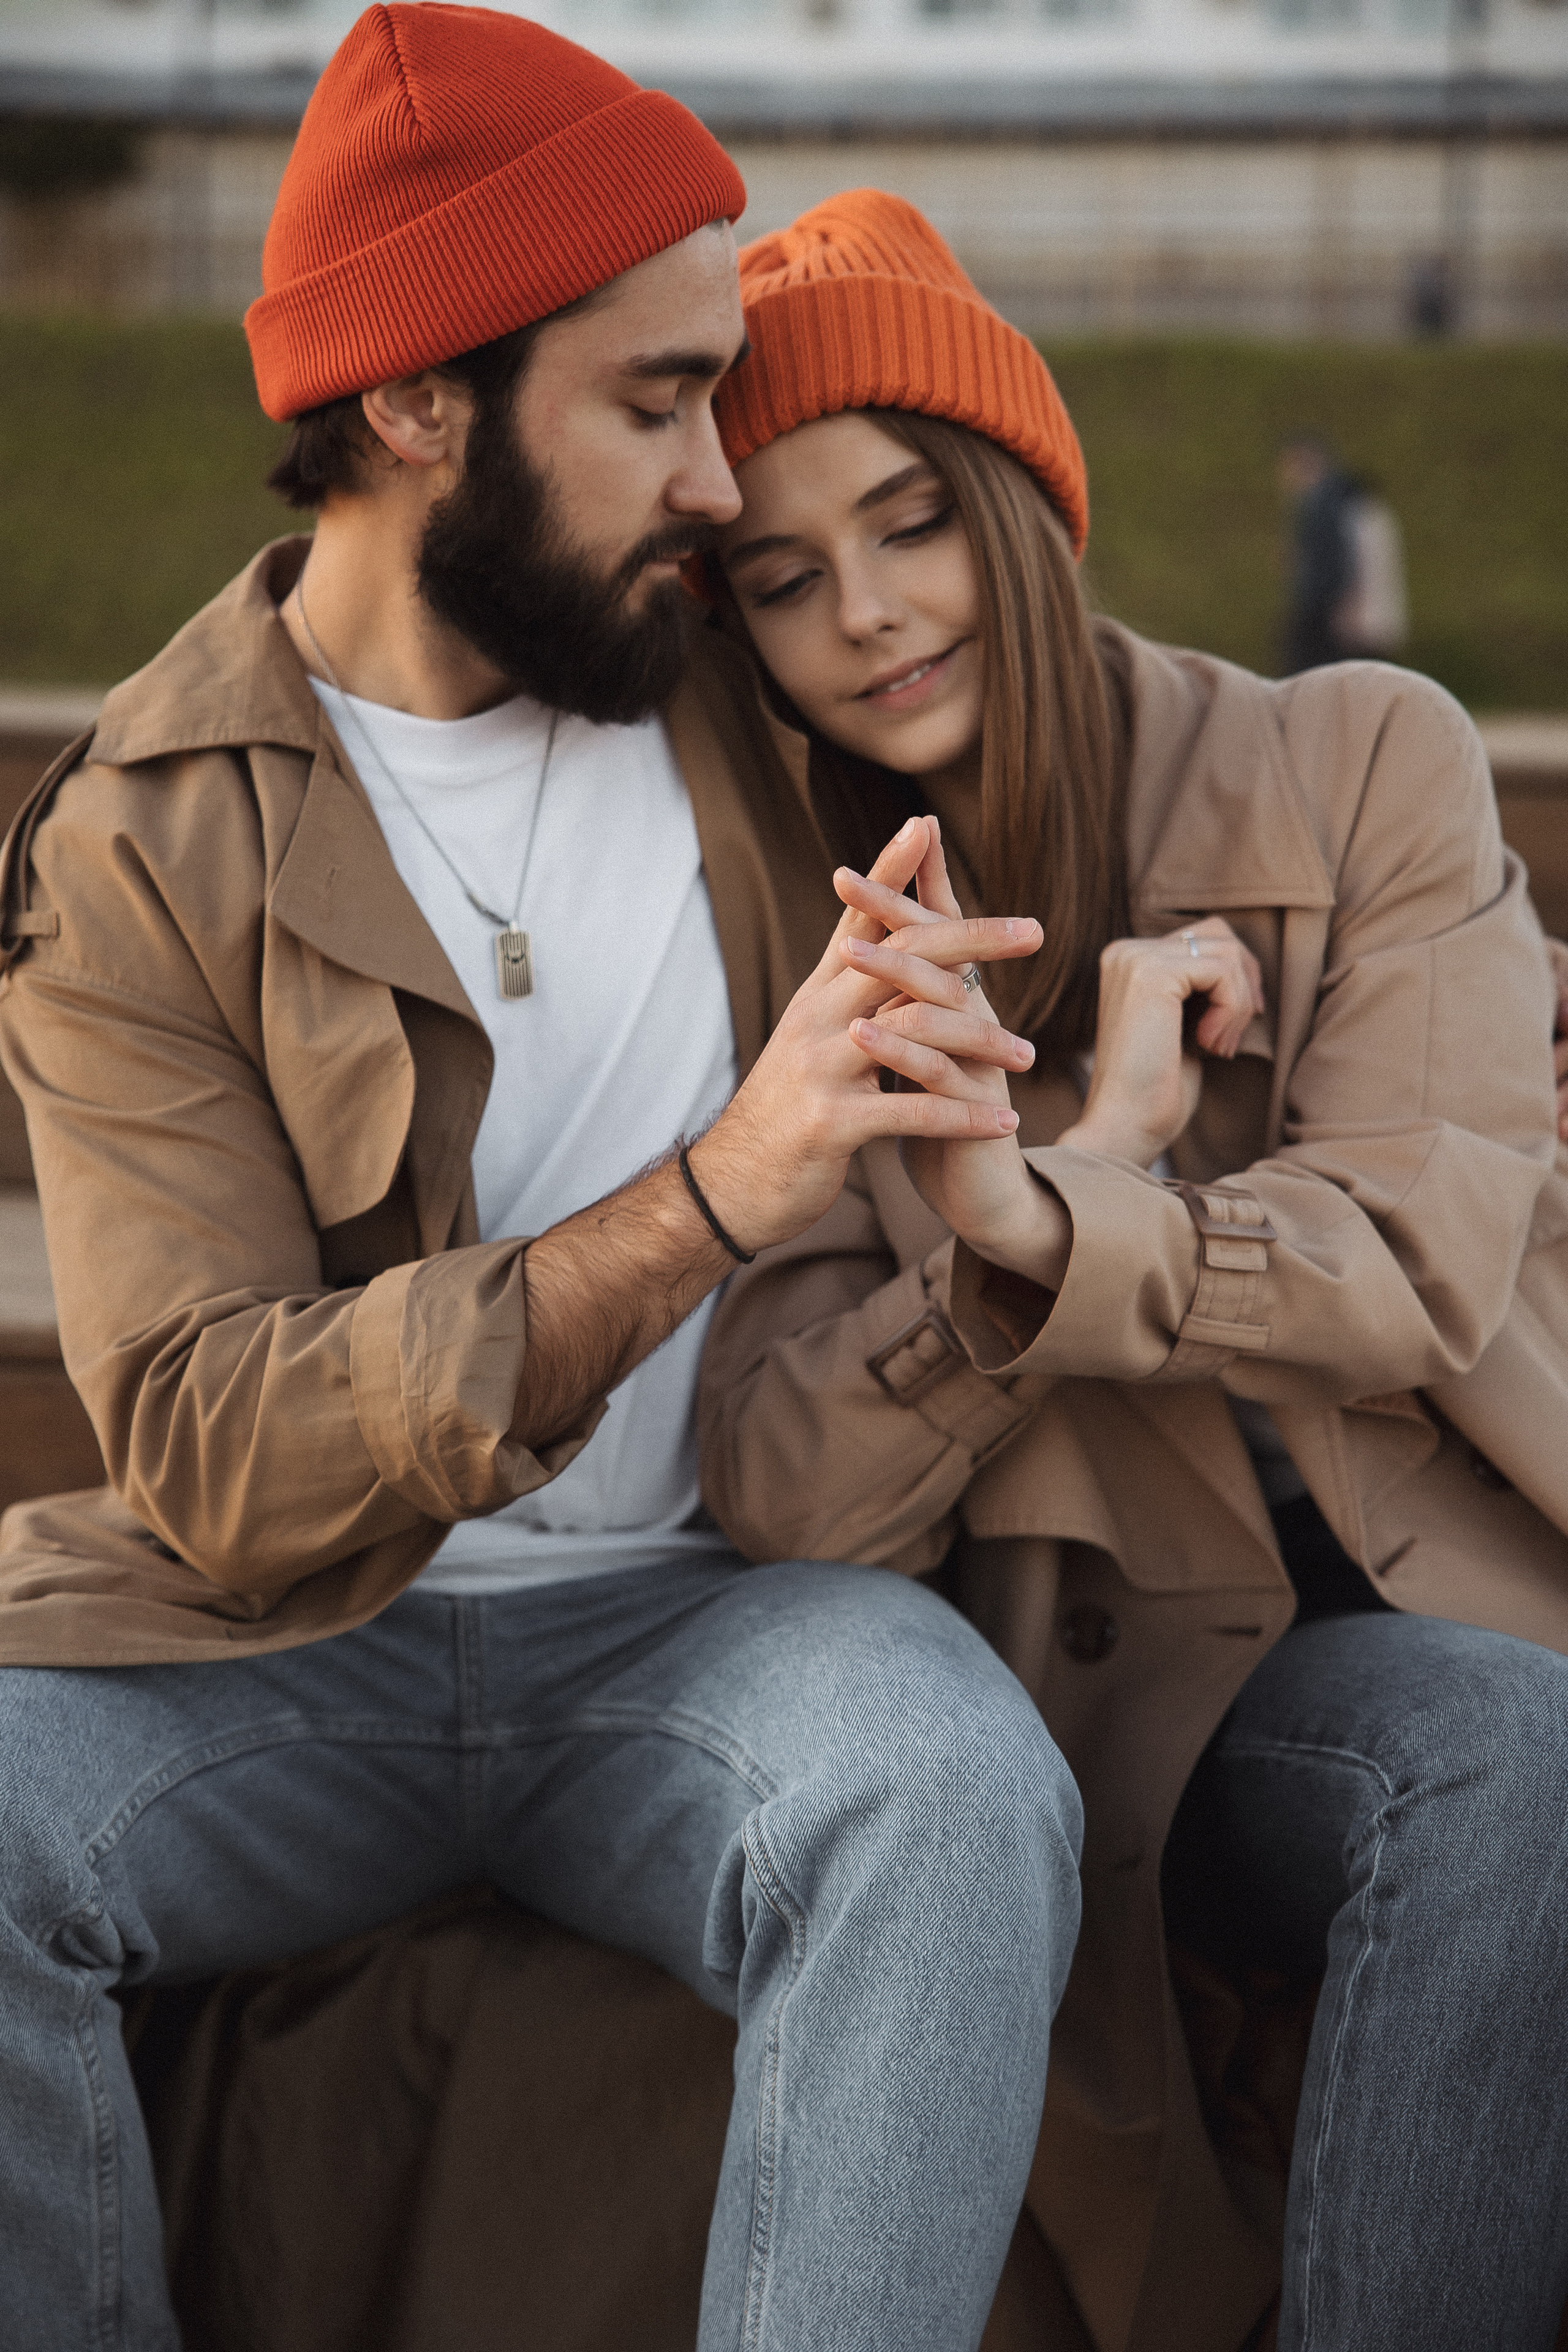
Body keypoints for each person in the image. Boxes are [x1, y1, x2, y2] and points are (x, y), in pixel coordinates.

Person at [0, 27, 1084, 2351]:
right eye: (656, 401)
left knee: (949, 1792)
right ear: (416, 409)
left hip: (714, 1618)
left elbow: (1083, 676)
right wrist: (710, 1194)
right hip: (288, 1653)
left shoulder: (726, 680)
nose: (722, 473)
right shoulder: (142, 841)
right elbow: (200, 1441)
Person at [695, 190, 1568, 2352]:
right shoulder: (783, 940)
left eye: (911, 520)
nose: (874, 617)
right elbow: (782, 1480)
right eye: (785, 578)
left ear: (1021, 492)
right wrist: (1059, 1177)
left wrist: (1062, 1225)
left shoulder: (1363, 758)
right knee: (1507, 1771)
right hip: (1136, 1703)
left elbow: (1409, 1267)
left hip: (1476, 1572)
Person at [1278, 431, 1358, 674]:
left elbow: (1335, 556)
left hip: (1321, 603)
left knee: (1310, 668)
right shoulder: (1325, 500)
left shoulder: (1324, 504)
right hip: (1321, 601)